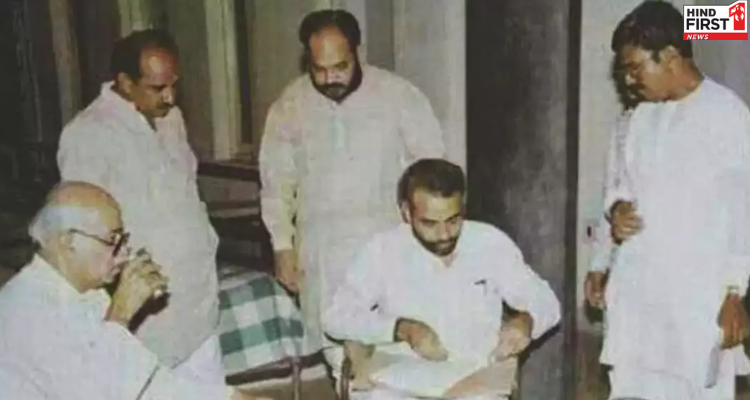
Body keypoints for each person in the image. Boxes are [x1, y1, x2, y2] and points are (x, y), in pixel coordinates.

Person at [259, 9, 446, 372]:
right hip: (324, 256)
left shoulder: (398, 96)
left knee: (397, 357)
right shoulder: (290, 105)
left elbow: (431, 171)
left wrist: (428, 239)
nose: (330, 78)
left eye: (340, 67)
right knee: (342, 362)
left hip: (388, 249)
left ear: (357, 52)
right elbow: (276, 183)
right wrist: (282, 246)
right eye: (319, 69)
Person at [584, 2, 750, 399]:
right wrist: (605, 248)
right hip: (639, 291)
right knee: (632, 386)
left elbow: (742, 211)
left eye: (635, 67)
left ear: (671, 56)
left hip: (697, 295)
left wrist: (735, 293)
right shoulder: (639, 118)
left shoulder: (726, 115)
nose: (629, 80)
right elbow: (619, 187)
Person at [57, 29, 224, 383]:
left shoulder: (171, 119)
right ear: (125, 83)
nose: (170, 96)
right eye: (157, 88)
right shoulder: (87, 134)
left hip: (197, 306)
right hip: (146, 316)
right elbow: (83, 234)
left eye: (173, 84)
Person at [0, 181, 268, 400]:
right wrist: (120, 314)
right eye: (112, 241)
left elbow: (148, 385)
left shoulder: (87, 294)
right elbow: (97, 394)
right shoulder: (25, 311)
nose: (124, 254)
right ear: (68, 241)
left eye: (123, 240)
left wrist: (232, 398)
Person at [323, 159, 561, 399]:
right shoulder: (383, 249)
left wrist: (526, 321)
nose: (444, 235)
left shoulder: (489, 242)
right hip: (403, 375)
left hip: (473, 375)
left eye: (453, 220)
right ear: (406, 212)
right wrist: (401, 328)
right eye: (430, 223)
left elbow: (546, 301)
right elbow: (336, 317)